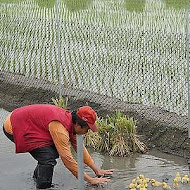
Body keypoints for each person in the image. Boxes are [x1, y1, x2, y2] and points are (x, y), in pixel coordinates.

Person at [3, 104, 114, 189]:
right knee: (48, 158)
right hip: (15, 126)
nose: (86, 132)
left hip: (26, 121)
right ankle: (43, 187)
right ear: (78, 124)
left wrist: (96, 170)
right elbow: (67, 160)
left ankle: (37, 178)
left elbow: (80, 149)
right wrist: (90, 180)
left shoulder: (71, 124)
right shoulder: (61, 129)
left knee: (50, 153)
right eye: (87, 129)